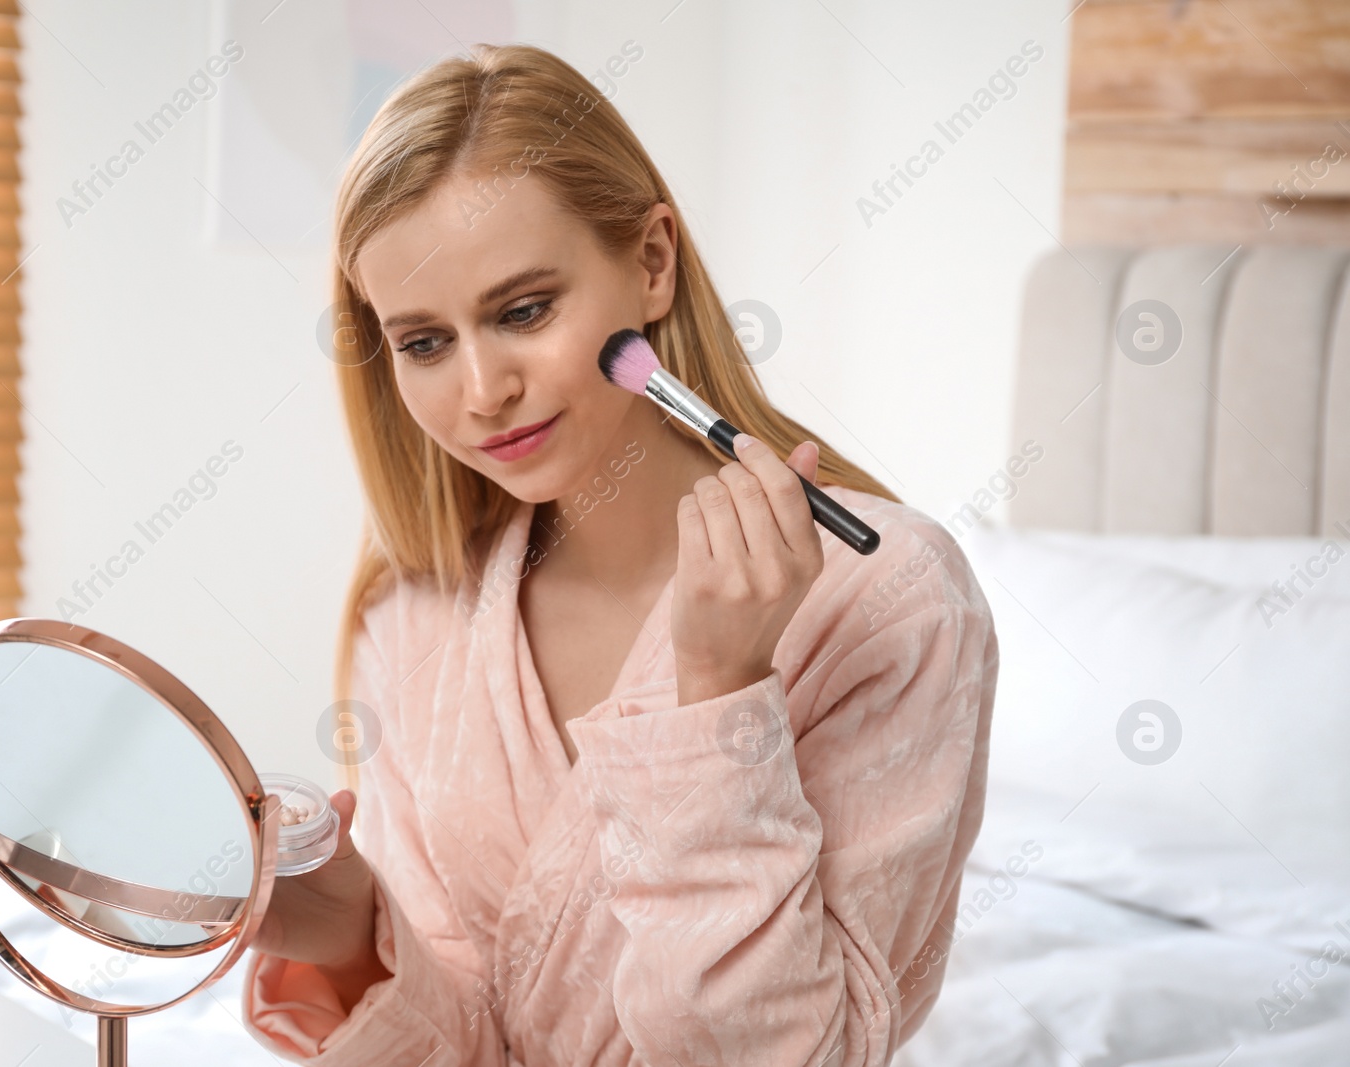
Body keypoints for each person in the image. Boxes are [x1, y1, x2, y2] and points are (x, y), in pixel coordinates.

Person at [242, 42, 997, 1067]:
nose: (481, 390)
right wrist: (342, 931)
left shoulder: (894, 598)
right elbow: (472, 1038)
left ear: (651, 262)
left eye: (522, 311)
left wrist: (720, 694)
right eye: (423, 341)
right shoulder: (415, 613)